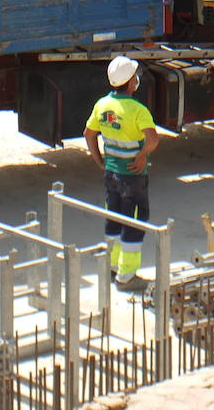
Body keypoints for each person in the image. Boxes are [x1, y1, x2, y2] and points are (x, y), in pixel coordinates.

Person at [83, 54, 160, 292]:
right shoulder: (137, 110)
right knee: (134, 223)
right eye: (135, 76)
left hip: (111, 174)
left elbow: (88, 134)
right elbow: (153, 140)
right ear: (130, 82)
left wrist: (100, 161)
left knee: (114, 219)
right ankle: (126, 277)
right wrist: (142, 155)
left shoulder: (102, 105)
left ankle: (112, 267)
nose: (137, 79)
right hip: (132, 177)